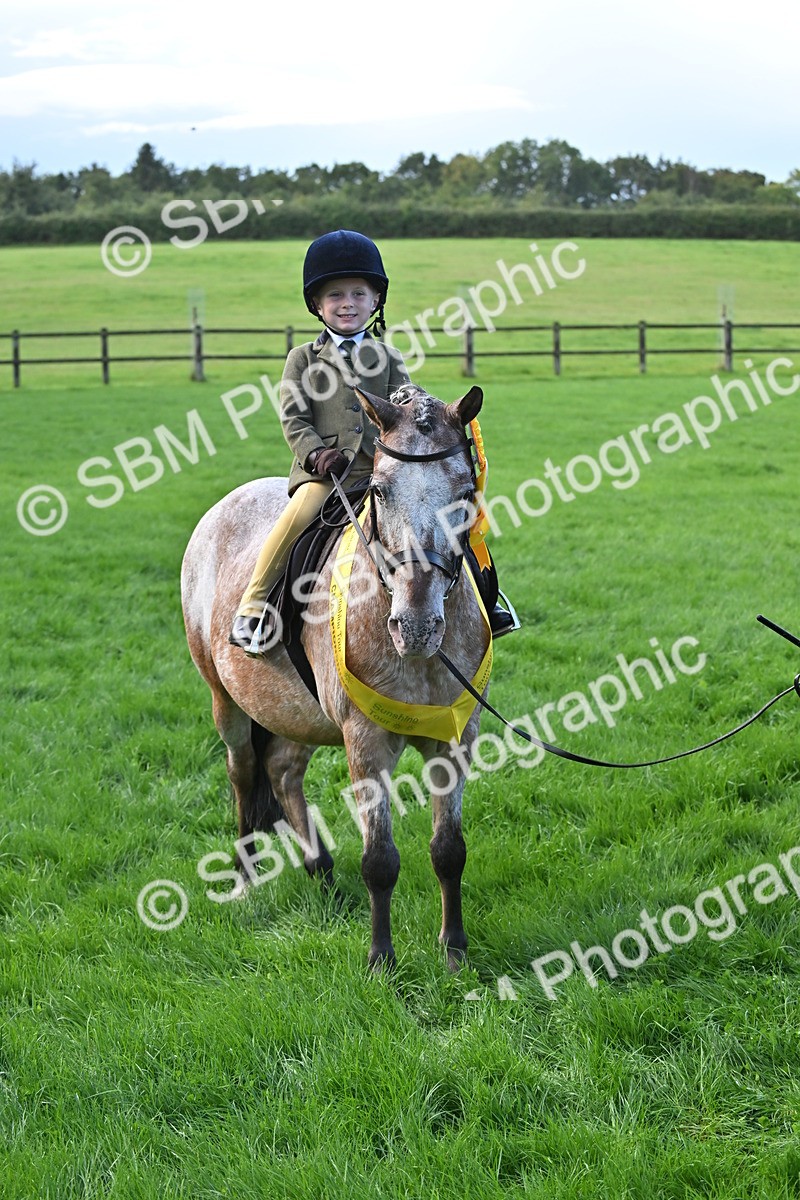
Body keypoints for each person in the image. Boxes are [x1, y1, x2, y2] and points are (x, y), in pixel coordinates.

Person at [230, 229, 517, 655]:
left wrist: (443, 419)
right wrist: (315, 453)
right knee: (294, 521)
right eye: (336, 295)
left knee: (447, 523)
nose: (348, 303)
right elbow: (293, 417)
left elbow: (409, 404)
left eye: (359, 294)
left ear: (375, 301)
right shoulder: (303, 359)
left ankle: (488, 604)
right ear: (317, 304)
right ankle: (254, 608)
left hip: (384, 472)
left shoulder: (388, 358)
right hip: (325, 475)